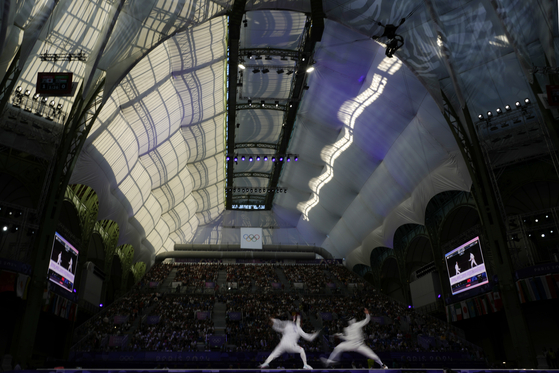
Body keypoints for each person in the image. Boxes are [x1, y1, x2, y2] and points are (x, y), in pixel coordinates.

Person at [321, 308, 387, 369]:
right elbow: (348, 338)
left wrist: (367, 314)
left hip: (359, 345)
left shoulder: (357, 324)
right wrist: (340, 335)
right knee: (339, 347)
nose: (352, 320)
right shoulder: (347, 329)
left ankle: (382, 365)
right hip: (351, 344)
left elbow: (367, 320)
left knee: (372, 355)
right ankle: (330, 361)